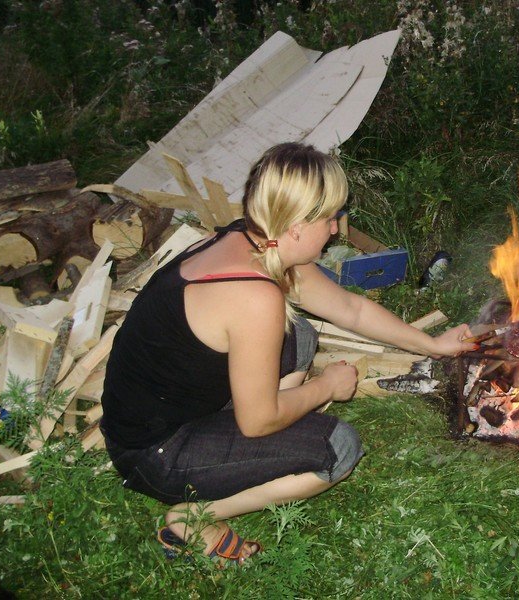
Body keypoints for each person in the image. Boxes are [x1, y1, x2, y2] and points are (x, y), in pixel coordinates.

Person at [100, 142, 475, 565]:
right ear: (296, 225)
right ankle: (193, 516)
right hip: (155, 452)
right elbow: (257, 421)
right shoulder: (253, 295)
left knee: (299, 335)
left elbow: (349, 309)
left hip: (166, 409)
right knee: (339, 447)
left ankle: (271, 424)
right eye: (329, 218)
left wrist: (432, 345)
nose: (335, 230)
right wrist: (327, 387)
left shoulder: (252, 239)